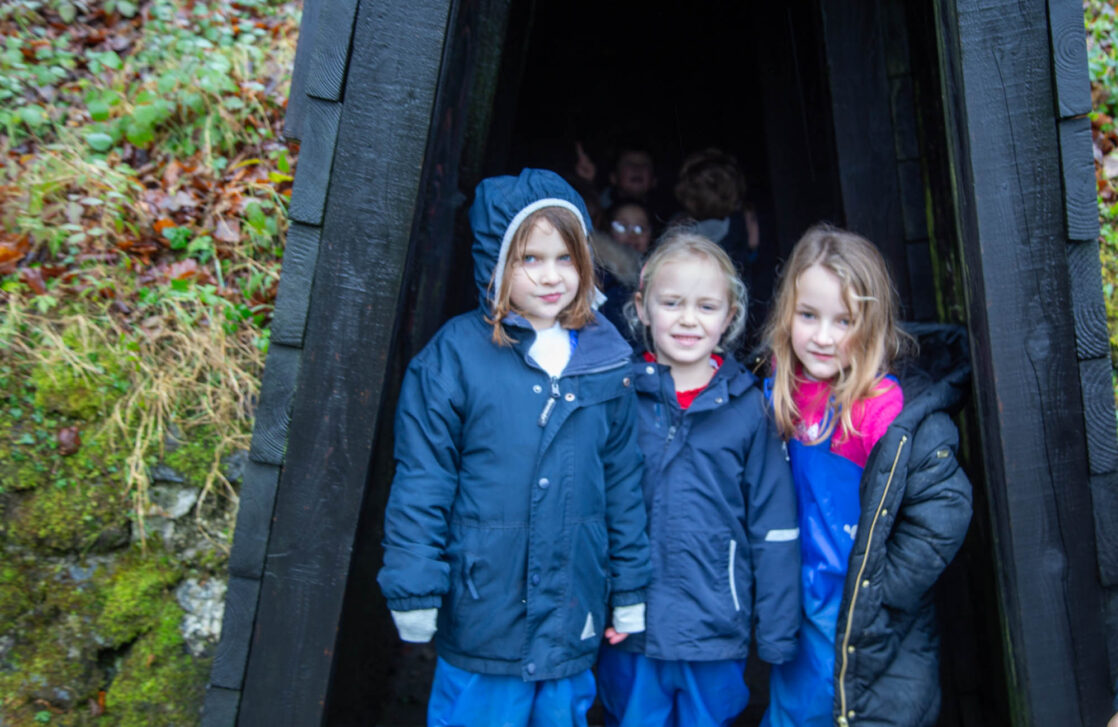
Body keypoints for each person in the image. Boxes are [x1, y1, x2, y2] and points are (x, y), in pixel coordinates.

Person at [377, 169, 652, 727]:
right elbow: (424, 477)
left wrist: (629, 586)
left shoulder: (606, 357)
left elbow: (623, 482)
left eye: (566, 258)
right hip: (486, 607)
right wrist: (415, 584)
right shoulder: (455, 356)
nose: (552, 276)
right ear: (496, 262)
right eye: (530, 259)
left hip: (571, 607)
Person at [760, 224, 973, 727]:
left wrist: (882, 591)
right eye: (808, 315)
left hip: (858, 605)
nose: (823, 337)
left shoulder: (882, 411)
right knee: (795, 708)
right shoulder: (780, 387)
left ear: (871, 325)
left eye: (844, 321)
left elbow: (945, 512)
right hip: (803, 594)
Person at [596, 230, 801, 727]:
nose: (688, 319)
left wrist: (777, 633)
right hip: (631, 628)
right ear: (642, 309)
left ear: (730, 317)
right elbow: (587, 514)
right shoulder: (616, 398)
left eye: (707, 307)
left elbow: (774, 529)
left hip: (714, 629)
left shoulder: (750, 410)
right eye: (672, 303)